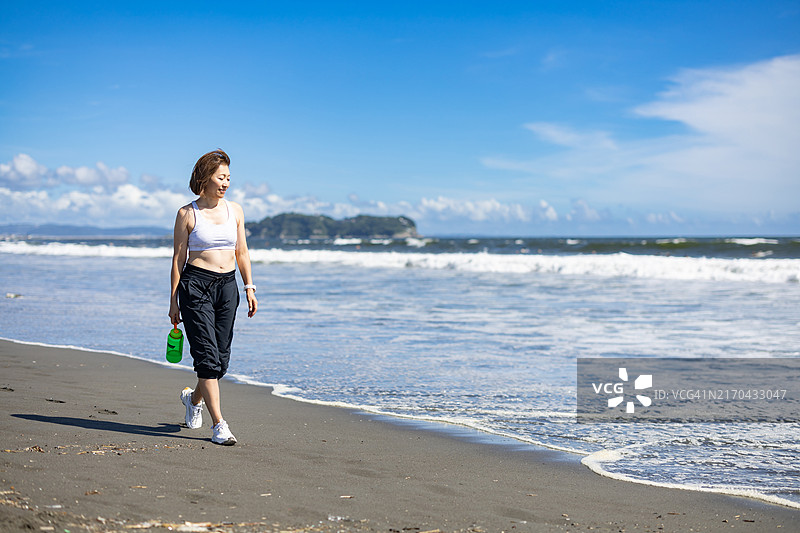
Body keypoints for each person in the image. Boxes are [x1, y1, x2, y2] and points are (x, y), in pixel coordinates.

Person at [169, 149, 257, 446]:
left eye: (229, 178)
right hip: (195, 286)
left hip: (227, 287)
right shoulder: (187, 213)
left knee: (218, 361)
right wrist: (173, 302)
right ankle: (219, 425)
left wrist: (249, 287)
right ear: (205, 177)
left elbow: (241, 252)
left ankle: (194, 400)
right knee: (206, 358)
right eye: (221, 177)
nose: (226, 183)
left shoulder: (236, 210)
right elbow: (178, 260)